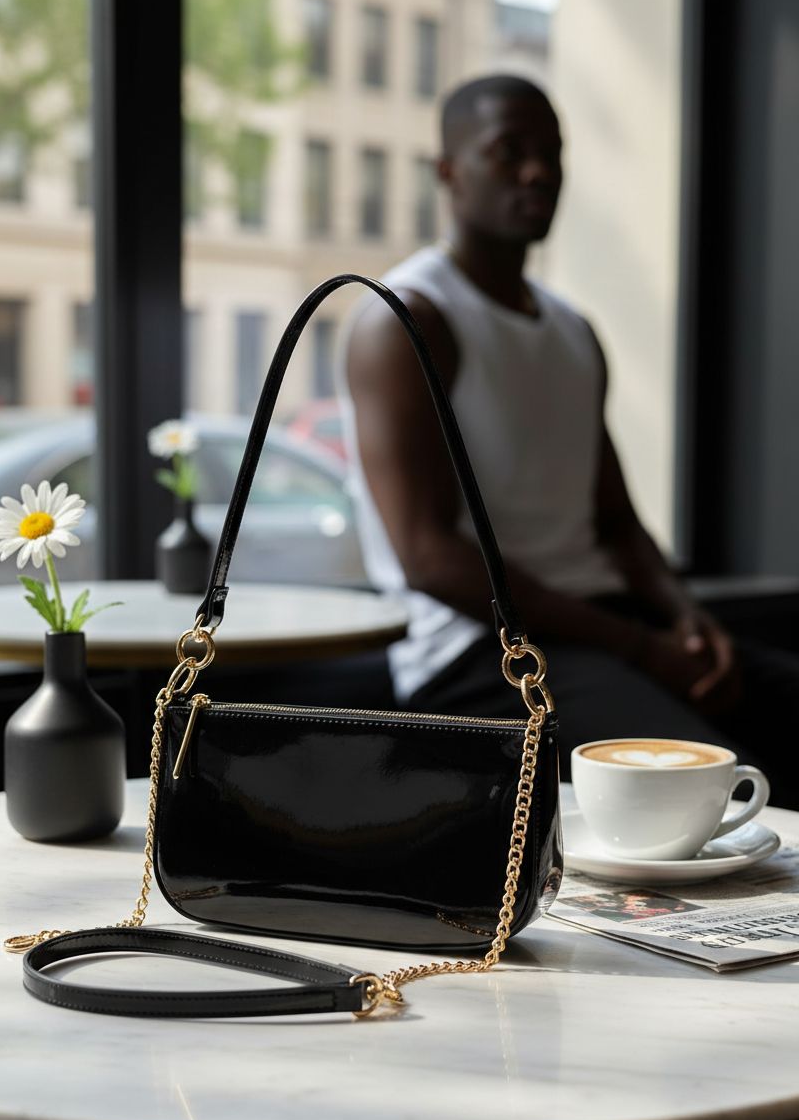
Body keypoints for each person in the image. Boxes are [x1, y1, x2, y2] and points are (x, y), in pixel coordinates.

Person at [339, 74, 799, 810]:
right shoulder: (406, 321)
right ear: (449, 173)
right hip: (477, 656)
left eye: (552, 152)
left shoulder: (572, 329)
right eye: (509, 151)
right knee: (712, 791)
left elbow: (615, 522)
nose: (538, 171)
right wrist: (642, 647)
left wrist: (687, 619)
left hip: (611, 627)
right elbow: (427, 559)